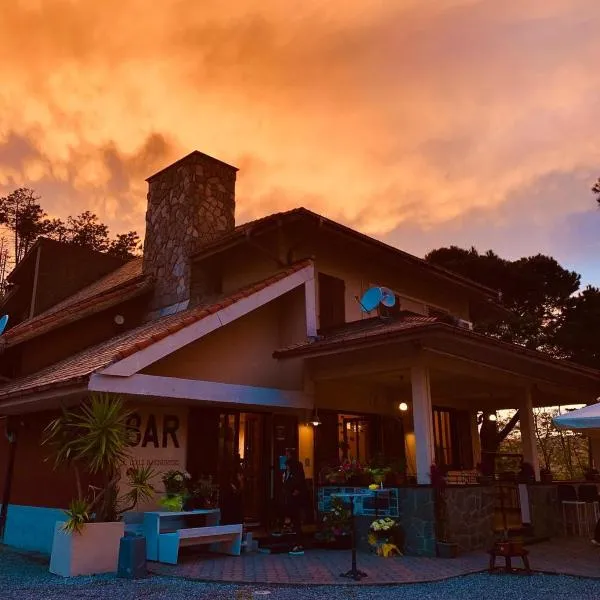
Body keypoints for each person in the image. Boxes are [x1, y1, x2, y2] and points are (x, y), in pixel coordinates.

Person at [282, 454, 308, 555]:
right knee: (294, 523)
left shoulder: (296, 477)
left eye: (288, 465)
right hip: (289, 502)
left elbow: (297, 488)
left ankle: (298, 544)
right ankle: (296, 543)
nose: (286, 467)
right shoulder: (287, 474)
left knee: (296, 523)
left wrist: (294, 492)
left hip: (295, 503)